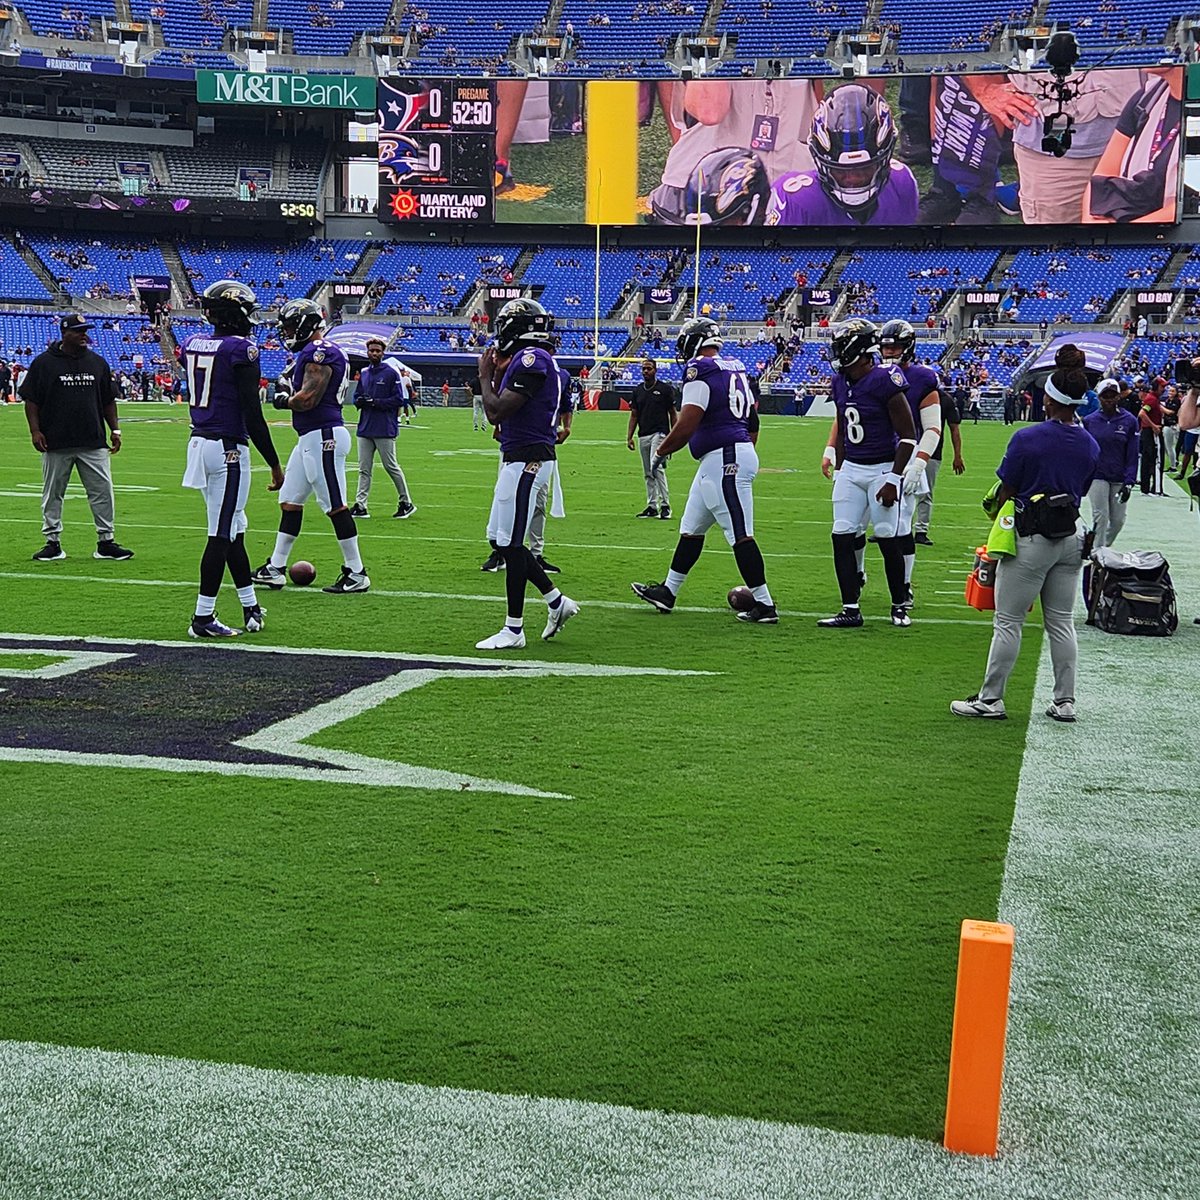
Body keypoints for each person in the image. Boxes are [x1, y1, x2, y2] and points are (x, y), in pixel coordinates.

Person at [952, 367, 1100, 722]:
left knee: (1008, 621)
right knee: (1061, 622)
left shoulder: (1027, 438)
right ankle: (1065, 700)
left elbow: (1007, 489)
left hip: (1032, 535)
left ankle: (991, 699)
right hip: (1070, 535)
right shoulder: (1090, 443)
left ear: (1048, 398)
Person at [630, 316, 777, 624]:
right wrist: (744, 451)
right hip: (723, 457)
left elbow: (686, 423)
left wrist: (662, 449)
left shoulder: (701, 369)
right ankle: (668, 592)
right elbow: (753, 423)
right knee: (691, 528)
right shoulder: (735, 366)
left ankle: (764, 605)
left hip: (724, 459)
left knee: (740, 534)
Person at [179, 281, 285, 638]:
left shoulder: (192, 343)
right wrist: (273, 460)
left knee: (234, 529)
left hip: (200, 443)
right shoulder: (242, 349)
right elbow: (252, 414)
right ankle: (203, 617)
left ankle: (250, 605)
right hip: (227, 448)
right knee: (221, 534)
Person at [475, 299, 579, 649]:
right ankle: (555, 601)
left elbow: (496, 411)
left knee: (514, 543)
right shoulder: (532, 358)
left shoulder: (532, 358)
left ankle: (514, 629)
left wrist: (484, 376)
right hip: (520, 456)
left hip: (528, 458)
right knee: (506, 542)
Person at [252, 299, 370, 595]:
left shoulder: (320, 352)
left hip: (324, 435)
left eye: (291, 326)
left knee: (335, 505)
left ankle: (356, 572)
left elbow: (307, 399)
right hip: (310, 436)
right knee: (290, 501)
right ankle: (276, 568)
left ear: (306, 324)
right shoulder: (314, 352)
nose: (288, 332)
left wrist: (282, 399)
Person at [817, 318, 916, 629]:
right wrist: (841, 466)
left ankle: (899, 604)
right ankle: (850, 608)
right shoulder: (840, 381)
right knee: (841, 534)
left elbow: (909, 436)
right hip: (853, 469)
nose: (835, 351)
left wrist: (893, 478)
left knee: (888, 537)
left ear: (856, 349)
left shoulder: (885, 379)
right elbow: (845, 429)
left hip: (883, 468)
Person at [21, 314, 133, 563]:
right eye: (78, 331)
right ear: (65, 333)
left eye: (85, 330)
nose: (84, 335)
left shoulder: (97, 362)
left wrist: (115, 430)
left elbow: (108, 400)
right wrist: (35, 431)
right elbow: (31, 401)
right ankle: (52, 542)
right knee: (53, 493)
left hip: (93, 440)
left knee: (102, 491)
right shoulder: (43, 363)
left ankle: (106, 541)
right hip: (55, 441)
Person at [766, 85, 918, 227]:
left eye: (863, 169)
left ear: (884, 160)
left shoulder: (902, 184)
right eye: (841, 171)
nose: (852, 179)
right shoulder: (795, 203)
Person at [878, 320, 942, 610]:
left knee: (902, 525)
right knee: (852, 526)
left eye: (895, 347)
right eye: (886, 347)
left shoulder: (922, 378)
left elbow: (932, 428)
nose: (889, 352)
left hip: (907, 459)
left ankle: (904, 586)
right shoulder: (870, 374)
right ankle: (856, 578)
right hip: (871, 458)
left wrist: (919, 462)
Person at [349, 338, 416, 520]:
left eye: (378, 351)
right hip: (365, 427)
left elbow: (398, 400)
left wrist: (376, 402)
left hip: (384, 427)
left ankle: (406, 502)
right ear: (367, 352)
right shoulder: (364, 373)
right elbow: (356, 397)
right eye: (372, 350)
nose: (375, 353)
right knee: (364, 469)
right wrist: (360, 401)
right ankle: (361, 505)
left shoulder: (391, 373)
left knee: (391, 466)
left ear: (383, 352)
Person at [1082, 379, 1138, 548]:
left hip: (1119, 475)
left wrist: (1129, 481)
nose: (1108, 400)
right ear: (1099, 397)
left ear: (1118, 397)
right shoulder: (1089, 421)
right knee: (1101, 516)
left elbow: (1132, 453)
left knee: (1118, 520)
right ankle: (1097, 555)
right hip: (1097, 475)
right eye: (1104, 396)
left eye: (1112, 396)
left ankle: (1101, 547)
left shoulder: (1129, 421)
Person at [627, 357, 677, 518]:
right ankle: (652, 505)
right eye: (644, 369)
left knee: (657, 468)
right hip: (644, 434)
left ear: (655, 370)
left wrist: (673, 436)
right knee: (648, 471)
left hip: (660, 432)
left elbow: (672, 413)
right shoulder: (638, 391)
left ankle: (665, 505)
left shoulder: (665, 389)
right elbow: (634, 415)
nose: (646, 372)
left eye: (649, 368)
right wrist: (629, 436)